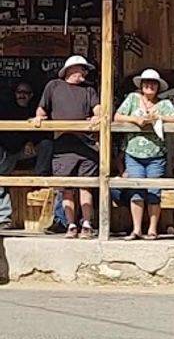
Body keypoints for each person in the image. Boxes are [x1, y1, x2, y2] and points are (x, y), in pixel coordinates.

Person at [35, 55, 100, 238]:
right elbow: (42, 109)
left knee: (85, 186)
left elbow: (98, 109)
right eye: (82, 69)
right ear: (72, 69)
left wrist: (97, 115)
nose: (85, 73)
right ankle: (71, 224)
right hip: (63, 146)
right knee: (66, 189)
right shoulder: (54, 86)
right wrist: (39, 118)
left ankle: (86, 223)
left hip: (86, 145)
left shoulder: (89, 89)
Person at [114, 68, 174, 239]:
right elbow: (118, 116)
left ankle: (152, 229)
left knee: (153, 191)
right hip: (133, 152)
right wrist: (135, 119)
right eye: (147, 83)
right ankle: (136, 229)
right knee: (136, 191)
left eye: (153, 83)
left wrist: (159, 118)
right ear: (141, 85)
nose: (149, 86)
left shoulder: (163, 104)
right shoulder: (132, 99)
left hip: (155, 154)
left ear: (158, 87)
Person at [0, 79, 53, 231]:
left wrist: (30, 141)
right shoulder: (6, 110)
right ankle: (4, 219)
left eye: (26, 93)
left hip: (27, 152)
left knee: (46, 145)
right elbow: (6, 137)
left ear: (31, 95)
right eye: (19, 92)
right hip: (9, 151)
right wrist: (24, 142)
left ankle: (40, 177)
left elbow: (45, 134)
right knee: (1, 178)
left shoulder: (37, 110)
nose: (22, 96)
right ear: (14, 94)